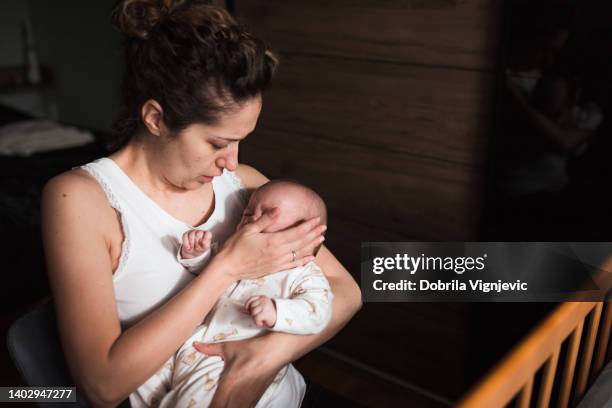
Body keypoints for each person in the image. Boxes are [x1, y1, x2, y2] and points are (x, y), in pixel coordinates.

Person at [41, 1, 361, 407]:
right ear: (156, 118)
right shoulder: (82, 200)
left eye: (240, 141)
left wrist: (263, 358)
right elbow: (102, 386)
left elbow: (347, 290)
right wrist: (229, 266)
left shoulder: (246, 187)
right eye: (217, 143)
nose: (233, 162)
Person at [132, 180, 333, 407]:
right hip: (195, 346)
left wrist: (278, 311)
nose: (251, 218)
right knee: (142, 376)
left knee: (195, 398)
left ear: (304, 235)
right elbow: (210, 271)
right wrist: (196, 254)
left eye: (267, 214)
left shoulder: (304, 274)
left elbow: (319, 311)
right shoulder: (234, 247)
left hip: (232, 357)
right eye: (248, 212)